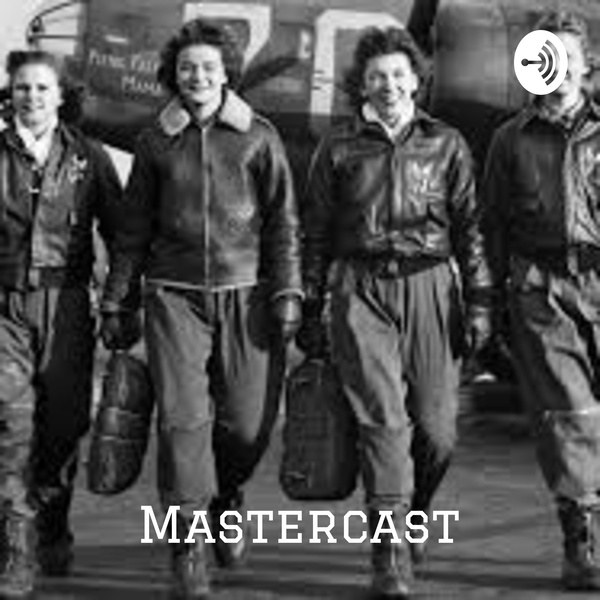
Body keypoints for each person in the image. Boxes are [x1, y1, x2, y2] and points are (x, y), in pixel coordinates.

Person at [101, 19, 302, 599]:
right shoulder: (154, 141)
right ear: (173, 73)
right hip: (173, 295)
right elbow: (132, 231)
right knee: (183, 422)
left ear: (226, 73)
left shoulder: (260, 137)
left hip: (248, 293)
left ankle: (225, 497)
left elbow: (284, 224)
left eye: (209, 67)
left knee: (247, 426)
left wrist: (288, 291)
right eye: (187, 67)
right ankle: (187, 546)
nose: (198, 76)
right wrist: (117, 299)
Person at [300, 26, 492, 599]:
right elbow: (315, 233)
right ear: (362, 84)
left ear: (416, 80)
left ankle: (413, 514)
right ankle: (389, 553)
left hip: (431, 285)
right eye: (377, 76)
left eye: (398, 74)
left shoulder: (447, 144)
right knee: (383, 422)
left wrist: (480, 301)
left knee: (437, 431)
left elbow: (470, 229)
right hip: (359, 288)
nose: (388, 85)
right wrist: (310, 304)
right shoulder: (336, 147)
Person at [482, 11, 600, 591]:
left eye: (567, 56)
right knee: (567, 412)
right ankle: (582, 534)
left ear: (586, 64)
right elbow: (491, 223)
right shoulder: (509, 140)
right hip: (542, 287)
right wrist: (490, 302)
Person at [0, 50, 123, 596]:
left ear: (61, 95)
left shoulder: (89, 157)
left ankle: (52, 524)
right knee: (11, 425)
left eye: (41, 87)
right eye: (21, 87)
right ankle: (16, 547)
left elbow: (121, 234)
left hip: (68, 305)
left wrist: (120, 302)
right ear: (9, 95)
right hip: (3, 306)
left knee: (64, 426)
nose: (31, 96)